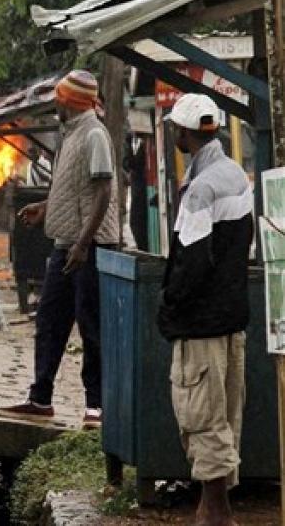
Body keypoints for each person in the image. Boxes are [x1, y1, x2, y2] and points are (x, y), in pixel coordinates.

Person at [0, 70, 119, 428]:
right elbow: (71, 187)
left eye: (59, 98)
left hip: (89, 248)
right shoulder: (70, 133)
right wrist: (46, 207)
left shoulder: (95, 134)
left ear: (70, 101)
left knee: (90, 326)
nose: (55, 103)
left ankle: (95, 406)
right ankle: (40, 398)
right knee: (50, 322)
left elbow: (103, 192)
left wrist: (83, 243)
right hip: (66, 245)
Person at [159, 94, 253, 526]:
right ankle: (209, 509)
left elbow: (191, 264)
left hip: (201, 324)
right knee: (225, 413)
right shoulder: (235, 175)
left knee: (202, 415)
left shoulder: (200, 189)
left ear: (183, 132)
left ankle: (217, 514)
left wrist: (170, 309)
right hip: (232, 319)